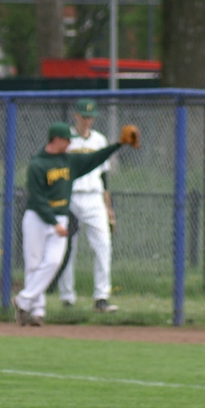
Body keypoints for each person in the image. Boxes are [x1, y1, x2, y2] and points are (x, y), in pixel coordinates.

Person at [13, 121, 132, 326]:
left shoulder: (69, 161)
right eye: (68, 140)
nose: (70, 143)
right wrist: (53, 223)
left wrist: (119, 144)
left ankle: (23, 300)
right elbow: (37, 198)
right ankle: (36, 312)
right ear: (57, 140)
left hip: (59, 218)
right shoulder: (37, 164)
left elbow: (95, 158)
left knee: (53, 262)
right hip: (37, 218)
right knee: (34, 264)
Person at [57, 97, 119, 313]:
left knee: (103, 245)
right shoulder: (67, 139)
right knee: (67, 248)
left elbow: (104, 177)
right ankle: (67, 298)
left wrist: (108, 208)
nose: (87, 121)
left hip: (94, 198)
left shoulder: (99, 140)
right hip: (71, 197)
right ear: (76, 116)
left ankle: (101, 297)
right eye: (84, 116)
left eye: (91, 117)